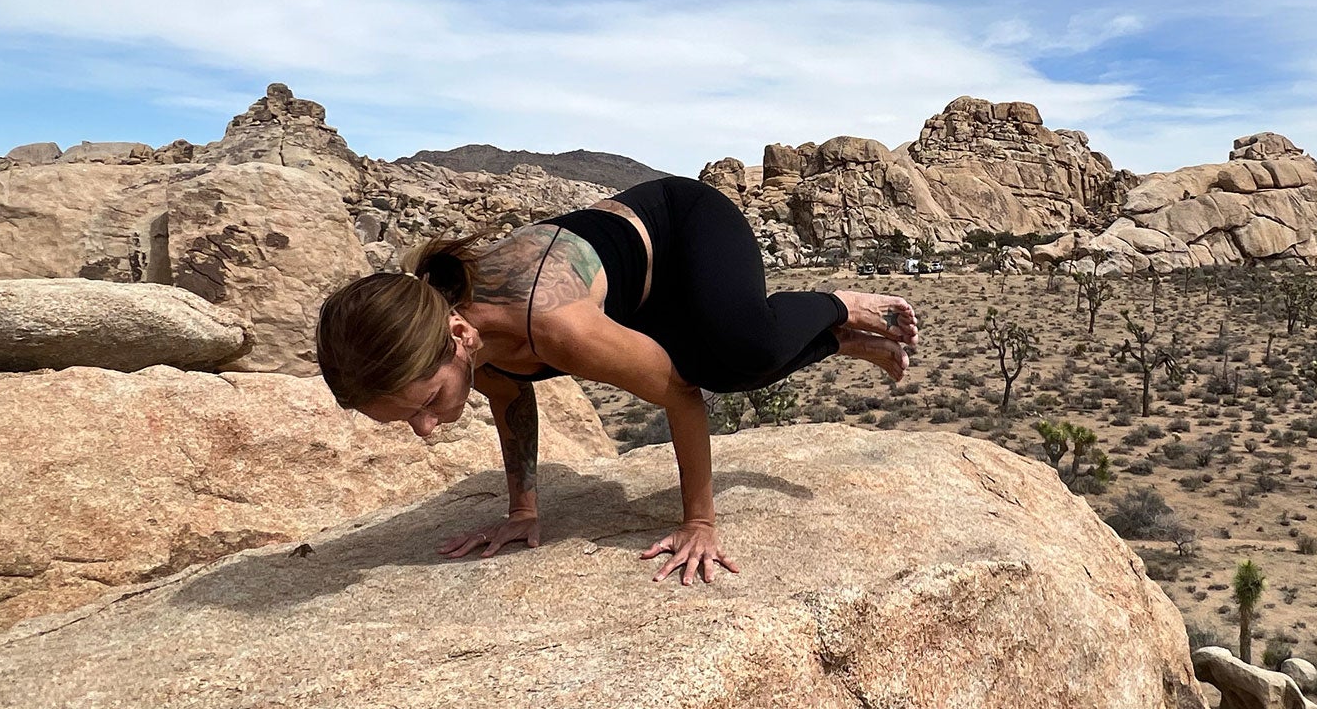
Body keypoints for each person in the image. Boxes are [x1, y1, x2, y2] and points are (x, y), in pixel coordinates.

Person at [313, 175, 919, 585]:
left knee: (738, 352)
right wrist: (522, 513)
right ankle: (837, 340)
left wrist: (698, 524)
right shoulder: (471, 343)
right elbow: (511, 403)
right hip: (634, 294)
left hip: (684, 228)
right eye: (407, 420)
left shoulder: (554, 325)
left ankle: (839, 307)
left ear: (460, 337)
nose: (424, 429)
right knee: (716, 358)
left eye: (423, 404)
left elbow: (680, 396)